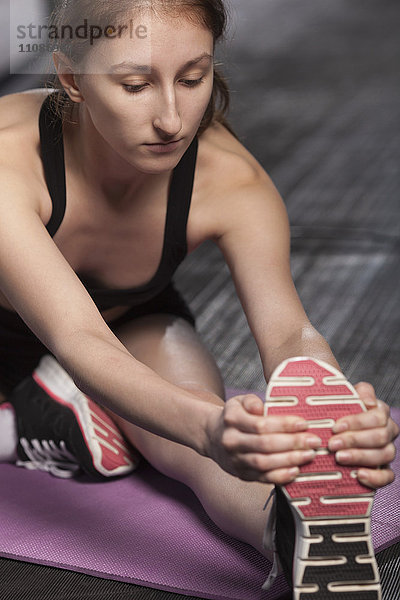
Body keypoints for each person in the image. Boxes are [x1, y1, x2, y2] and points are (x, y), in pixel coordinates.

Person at [0, 0, 398, 597]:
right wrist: (206, 429)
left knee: (200, 414)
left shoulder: (230, 179)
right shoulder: (8, 161)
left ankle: (286, 531)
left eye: (193, 78)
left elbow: (290, 332)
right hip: (59, 335)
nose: (172, 119)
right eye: (135, 85)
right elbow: (76, 337)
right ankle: (35, 419)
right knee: (199, 424)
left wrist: (329, 422)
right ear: (70, 79)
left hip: (123, 324)